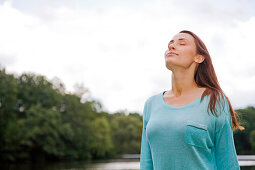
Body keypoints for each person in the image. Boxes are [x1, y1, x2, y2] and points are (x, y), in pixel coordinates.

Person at [139, 30, 245, 170]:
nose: (172, 46)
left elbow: (228, 163)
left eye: (182, 43)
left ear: (199, 57)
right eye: (170, 44)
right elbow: (146, 164)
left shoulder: (215, 100)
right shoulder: (151, 104)